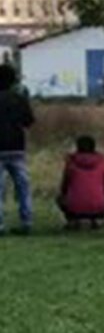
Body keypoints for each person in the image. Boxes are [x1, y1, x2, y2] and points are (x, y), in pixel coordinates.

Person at [0, 64, 35, 235]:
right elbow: (29, 121)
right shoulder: (19, 98)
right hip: (17, 147)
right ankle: (26, 221)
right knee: (23, 187)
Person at [58, 136, 104, 230]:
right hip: (98, 206)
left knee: (59, 198)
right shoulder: (102, 161)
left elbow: (65, 184)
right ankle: (98, 219)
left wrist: (64, 195)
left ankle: (72, 219)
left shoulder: (71, 162)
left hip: (75, 207)